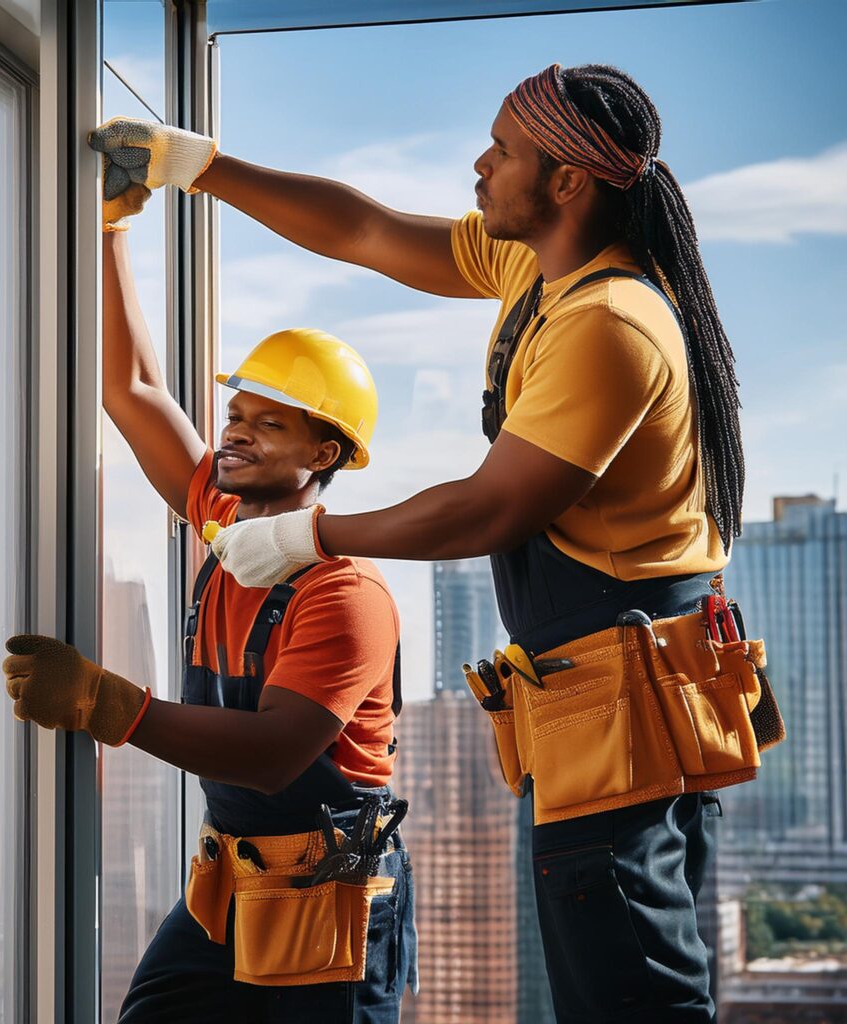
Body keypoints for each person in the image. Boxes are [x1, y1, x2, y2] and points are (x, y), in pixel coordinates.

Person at [89, 63, 785, 1024]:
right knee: (614, 985)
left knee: (634, 995)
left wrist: (310, 536)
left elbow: (489, 509)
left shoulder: (611, 323)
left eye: (504, 150)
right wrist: (197, 166)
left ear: (568, 181)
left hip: (623, 712)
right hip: (592, 704)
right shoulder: (535, 274)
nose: (480, 163)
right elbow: (364, 232)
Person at [1, 183, 417, 1022]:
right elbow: (134, 387)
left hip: (330, 895)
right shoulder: (227, 528)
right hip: (228, 883)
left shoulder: (345, 592)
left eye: (269, 424)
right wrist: (112, 226)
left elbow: (273, 752)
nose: (235, 433)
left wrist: (100, 701)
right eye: (234, 414)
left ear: (323, 452)